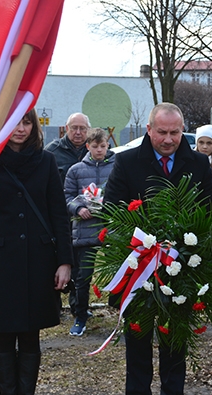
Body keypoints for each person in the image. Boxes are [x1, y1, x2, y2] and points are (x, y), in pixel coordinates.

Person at [104, 102, 212, 395]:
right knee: (138, 344)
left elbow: (211, 215)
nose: (168, 140)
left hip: (181, 267)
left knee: (175, 343)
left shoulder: (197, 163)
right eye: (162, 132)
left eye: (175, 133)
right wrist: (142, 244)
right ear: (149, 130)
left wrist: (189, 250)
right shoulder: (126, 163)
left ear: (183, 131)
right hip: (138, 267)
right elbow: (112, 214)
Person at [0, 109, 73, 395]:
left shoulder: (46, 161)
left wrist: (65, 261)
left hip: (38, 261)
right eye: (14, 122)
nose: (20, 129)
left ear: (34, 125)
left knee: (30, 334)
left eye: (26, 122)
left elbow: (59, 215)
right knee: (3, 335)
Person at [64, 127, 115, 336]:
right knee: (83, 277)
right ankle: (81, 315)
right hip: (85, 232)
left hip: (111, 229)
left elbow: (124, 192)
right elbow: (66, 197)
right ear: (88, 147)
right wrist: (79, 208)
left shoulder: (117, 167)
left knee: (120, 273)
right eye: (95, 147)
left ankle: (123, 313)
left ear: (108, 146)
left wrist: (111, 207)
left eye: (103, 146)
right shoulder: (76, 170)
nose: (99, 150)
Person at [45, 112, 91, 321]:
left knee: (81, 266)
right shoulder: (52, 152)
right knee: (58, 262)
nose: (78, 132)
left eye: (82, 128)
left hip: (86, 219)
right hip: (60, 218)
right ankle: (51, 304)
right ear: (66, 128)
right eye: (74, 128)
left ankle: (78, 307)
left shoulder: (94, 152)